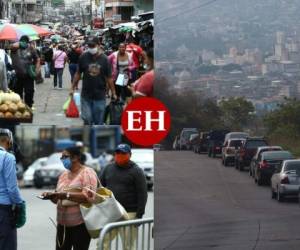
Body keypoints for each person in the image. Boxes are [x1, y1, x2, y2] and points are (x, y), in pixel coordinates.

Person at [41, 147, 98, 250]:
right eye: (61, 157)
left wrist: (66, 195)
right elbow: (58, 199)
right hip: (62, 224)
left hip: (80, 225)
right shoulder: (63, 175)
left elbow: (89, 197)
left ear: (75, 157)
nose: (63, 159)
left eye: (65, 156)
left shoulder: (87, 173)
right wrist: (51, 196)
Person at [100, 144, 148, 250]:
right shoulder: (108, 168)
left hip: (129, 213)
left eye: (123, 153)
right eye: (117, 153)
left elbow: (142, 193)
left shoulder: (136, 171)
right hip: (112, 212)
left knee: (128, 245)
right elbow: (100, 188)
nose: (120, 155)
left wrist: (139, 215)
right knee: (103, 241)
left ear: (130, 155)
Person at [71, 36, 117, 125]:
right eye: (89, 46)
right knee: (87, 118)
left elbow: (109, 77)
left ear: (99, 45)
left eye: (93, 46)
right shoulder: (83, 57)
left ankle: (95, 137)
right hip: (86, 94)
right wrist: (72, 87)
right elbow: (78, 73)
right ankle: (88, 135)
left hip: (100, 94)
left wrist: (113, 92)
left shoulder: (105, 59)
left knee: (98, 120)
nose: (91, 48)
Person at [0, 129, 25, 250]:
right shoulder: (7, 157)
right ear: (8, 141)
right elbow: (12, 188)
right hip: (3, 211)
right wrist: (20, 204)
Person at [10, 35, 41, 108]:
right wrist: (21, 44)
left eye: (26, 42)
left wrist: (37, 69)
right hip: (17, 75)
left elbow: (37, 59)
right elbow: (12, 46)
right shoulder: (15, 49)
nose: (25, 43)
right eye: (23, 41)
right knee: (17, 93)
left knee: (29, 92)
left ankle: (28, 107)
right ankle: (19, 107)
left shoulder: (31, 49)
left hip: (28, 74)